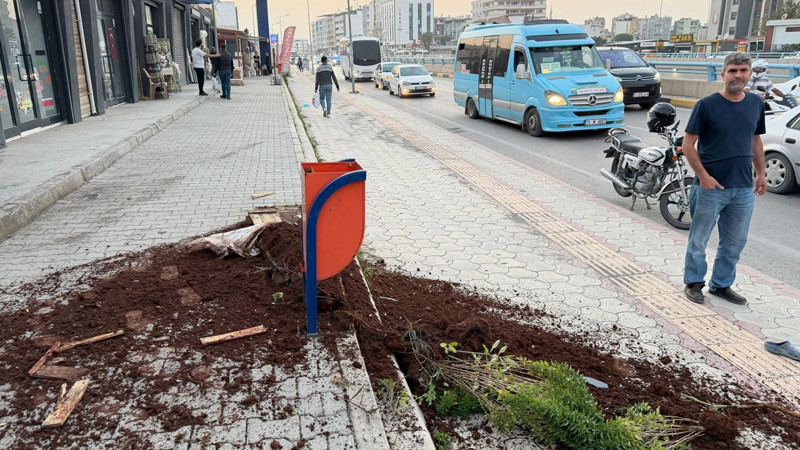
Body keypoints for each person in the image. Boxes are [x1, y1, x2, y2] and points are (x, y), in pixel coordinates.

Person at [681, 52, 767, 306]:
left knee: (735, 242)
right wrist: (703, 177)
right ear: (723, 74)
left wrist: (761, 173)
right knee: (699, 239)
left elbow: (755, 140)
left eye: (743, 70)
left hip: (742, 188)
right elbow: (688, 145)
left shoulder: (755, 104)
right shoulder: (706, 105)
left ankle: (721, 285)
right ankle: (694, 283)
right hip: (710, 188)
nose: (738, 75)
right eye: (732, 70)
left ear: (750, 73)